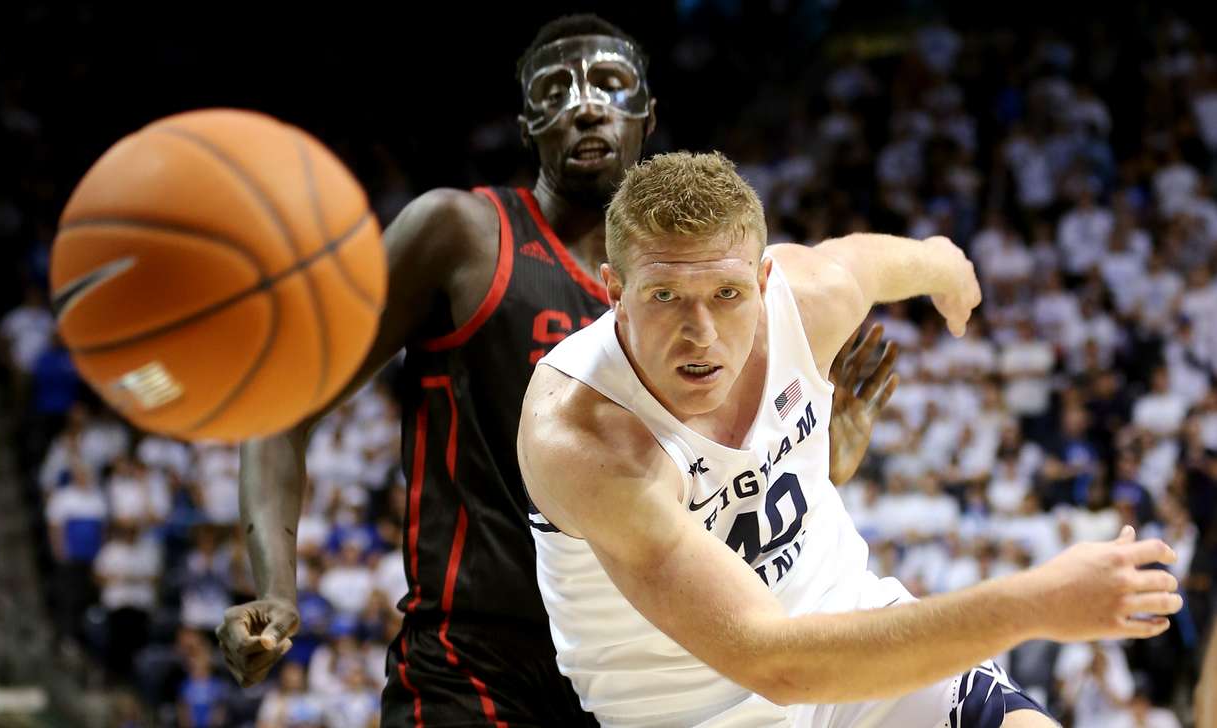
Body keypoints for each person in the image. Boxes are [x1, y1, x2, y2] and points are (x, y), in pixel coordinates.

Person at [216, 14, 899, 728]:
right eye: (555, 90)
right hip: (475, 664)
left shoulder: (697, 296)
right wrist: (277, 588)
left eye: (608, 83)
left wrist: (822, 462)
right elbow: (285, 400)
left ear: (647, 114)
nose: (583, 103)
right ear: (527, 125)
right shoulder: (462, 235)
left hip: (638, 676)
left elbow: (717, 493)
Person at [518, 151, 1183, 727]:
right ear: (614, 291)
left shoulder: (810, 298)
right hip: (704, 710)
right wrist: (1035, 602)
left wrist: (952, 278)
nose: (702, 332)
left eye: (727, 293)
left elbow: (917, 258)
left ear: (765, 281)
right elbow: (773, 660)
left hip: (850, 633)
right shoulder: (586, 438)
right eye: (665, 296)